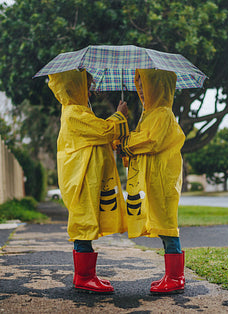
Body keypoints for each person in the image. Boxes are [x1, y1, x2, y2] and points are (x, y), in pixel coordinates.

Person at [48, 69, 129, 294]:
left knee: (88, 222)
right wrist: (120, 115)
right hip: (81, 178)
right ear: (75, 85)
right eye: (88, 82)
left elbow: (98, 138)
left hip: (86, 178)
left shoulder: (81, 111)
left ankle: (87, 275)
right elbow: (103, 131)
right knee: (83, 224)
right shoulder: (74, 112)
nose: (92, 85)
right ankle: (83, 277)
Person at [119, 69, 186, 295]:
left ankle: (176, 278)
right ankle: (170, 275)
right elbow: (140, 144)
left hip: (163, 180)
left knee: (167, 226)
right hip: (153, 179)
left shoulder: (163, 114)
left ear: (157, 86)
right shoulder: (149, 114)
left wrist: (126, 142)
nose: (139, 89)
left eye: (143, 84)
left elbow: (150, 141)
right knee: (161, 224)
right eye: (137, 84)